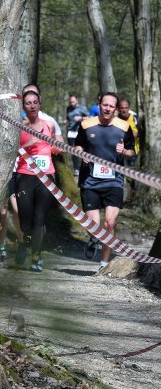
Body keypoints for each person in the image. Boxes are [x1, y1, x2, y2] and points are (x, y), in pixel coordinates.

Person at [74, 92, 135, 269]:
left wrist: (124, 151)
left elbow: (132, 152)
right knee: (93, 225)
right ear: (99, 104)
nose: (108, 108)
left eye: (111, 106)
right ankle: (93, 238)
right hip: (90, 180)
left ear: (116, 109)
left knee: (110, 222)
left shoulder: (124, 126)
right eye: (105, 105)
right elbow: (78, 144)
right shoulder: (86, 124)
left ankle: (104, 263)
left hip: (114, 180)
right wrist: (81, 153)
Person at [14, 90, 63, 271]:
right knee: (25, 222)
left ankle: (36, 257)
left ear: (40, 103)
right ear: (23, 106)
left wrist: (58, 148)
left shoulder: (49, 124)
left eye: (35, 102)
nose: (32, 106)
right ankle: (24, 243)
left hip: (46, 175)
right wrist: (30, 142)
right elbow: (11, 149)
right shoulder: (18, 125)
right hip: (25, 174)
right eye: (28, 103)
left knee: (39, 219)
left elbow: (56, 147)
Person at [65, 93, 89, 177]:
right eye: (70, 102)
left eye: (73, 102)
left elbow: (89, 118)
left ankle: (83, 166)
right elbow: (68, 117)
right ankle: (76, 169)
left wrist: (81, 118)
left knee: (80, 149)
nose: (72, 104)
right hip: (70, 132)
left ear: (77, 100)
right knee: (73, 151)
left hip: (79, 131)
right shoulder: (68, 108)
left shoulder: (82, 108)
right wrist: (66, 121)